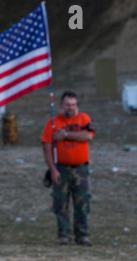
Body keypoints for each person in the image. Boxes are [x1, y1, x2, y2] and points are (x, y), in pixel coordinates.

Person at [41, 91, 94, 246]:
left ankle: (82, 235)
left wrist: (65, 135)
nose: (70, 108)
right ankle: (64, 235)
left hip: (80, 169)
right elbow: (47, 146)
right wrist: (52, 169)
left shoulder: (84, 119)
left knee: (82, 202)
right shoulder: (53, 123)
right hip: (61, 168)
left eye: (73, 105)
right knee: (61, 204)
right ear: (61, 105)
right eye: (67, 105)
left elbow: (88, 136)